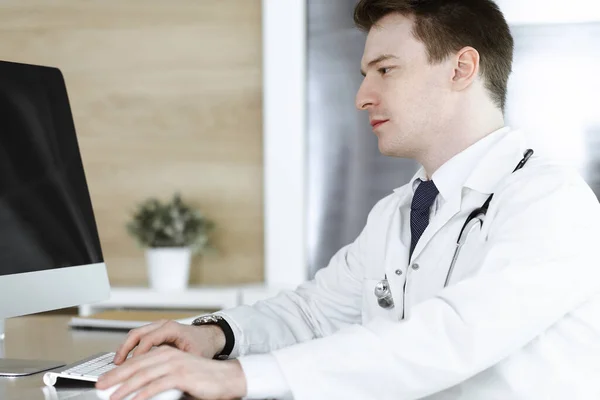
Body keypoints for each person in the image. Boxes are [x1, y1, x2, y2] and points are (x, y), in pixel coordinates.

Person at [95, 0, 600, 399]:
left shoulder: (549, 201)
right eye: (365, 73)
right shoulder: (400, 211)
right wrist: (214, 334)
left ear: (461, 68)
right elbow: (315, 313)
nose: (362, 95)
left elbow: (451, 336)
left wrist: (237, 378)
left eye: (385, 70)